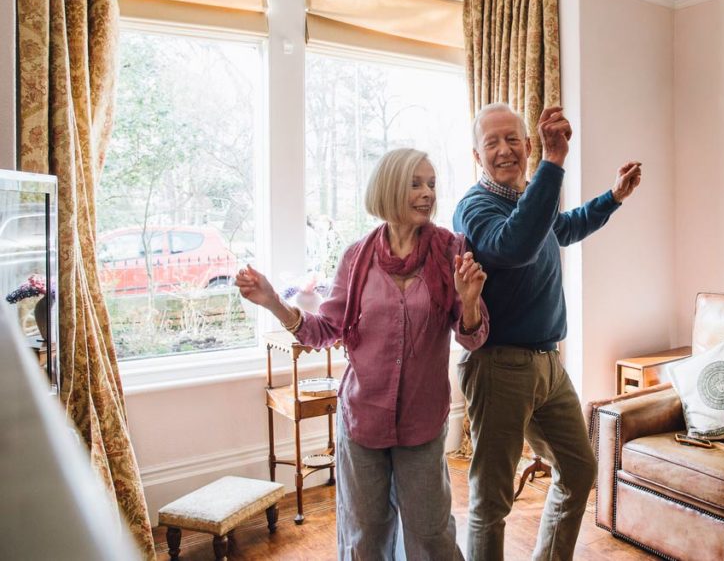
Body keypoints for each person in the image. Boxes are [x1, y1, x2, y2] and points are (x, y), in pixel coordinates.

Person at [236, 148, 489, 561]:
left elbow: (473, 338)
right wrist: (271, 303)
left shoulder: (450, 251)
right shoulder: (357, 258)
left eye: (431, 184)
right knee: (364, 538)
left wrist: (471, 302)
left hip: (422, 423)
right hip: (362, 419)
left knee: (431, 537)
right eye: (415, 184)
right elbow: (323, 330)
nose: (427, 193)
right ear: (389, 188)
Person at [453, 103, 642, 560]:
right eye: (492, 142)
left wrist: (612, 197)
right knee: (491, 500)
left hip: (548, 364)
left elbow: (565, 227)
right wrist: (553, 165)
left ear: (527, 144)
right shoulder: (474, 207)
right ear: (477, 155)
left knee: (578, 471)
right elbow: (511, 247)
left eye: (513, 139)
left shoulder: (527, 201)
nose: (504, 150)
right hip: (499, 366)